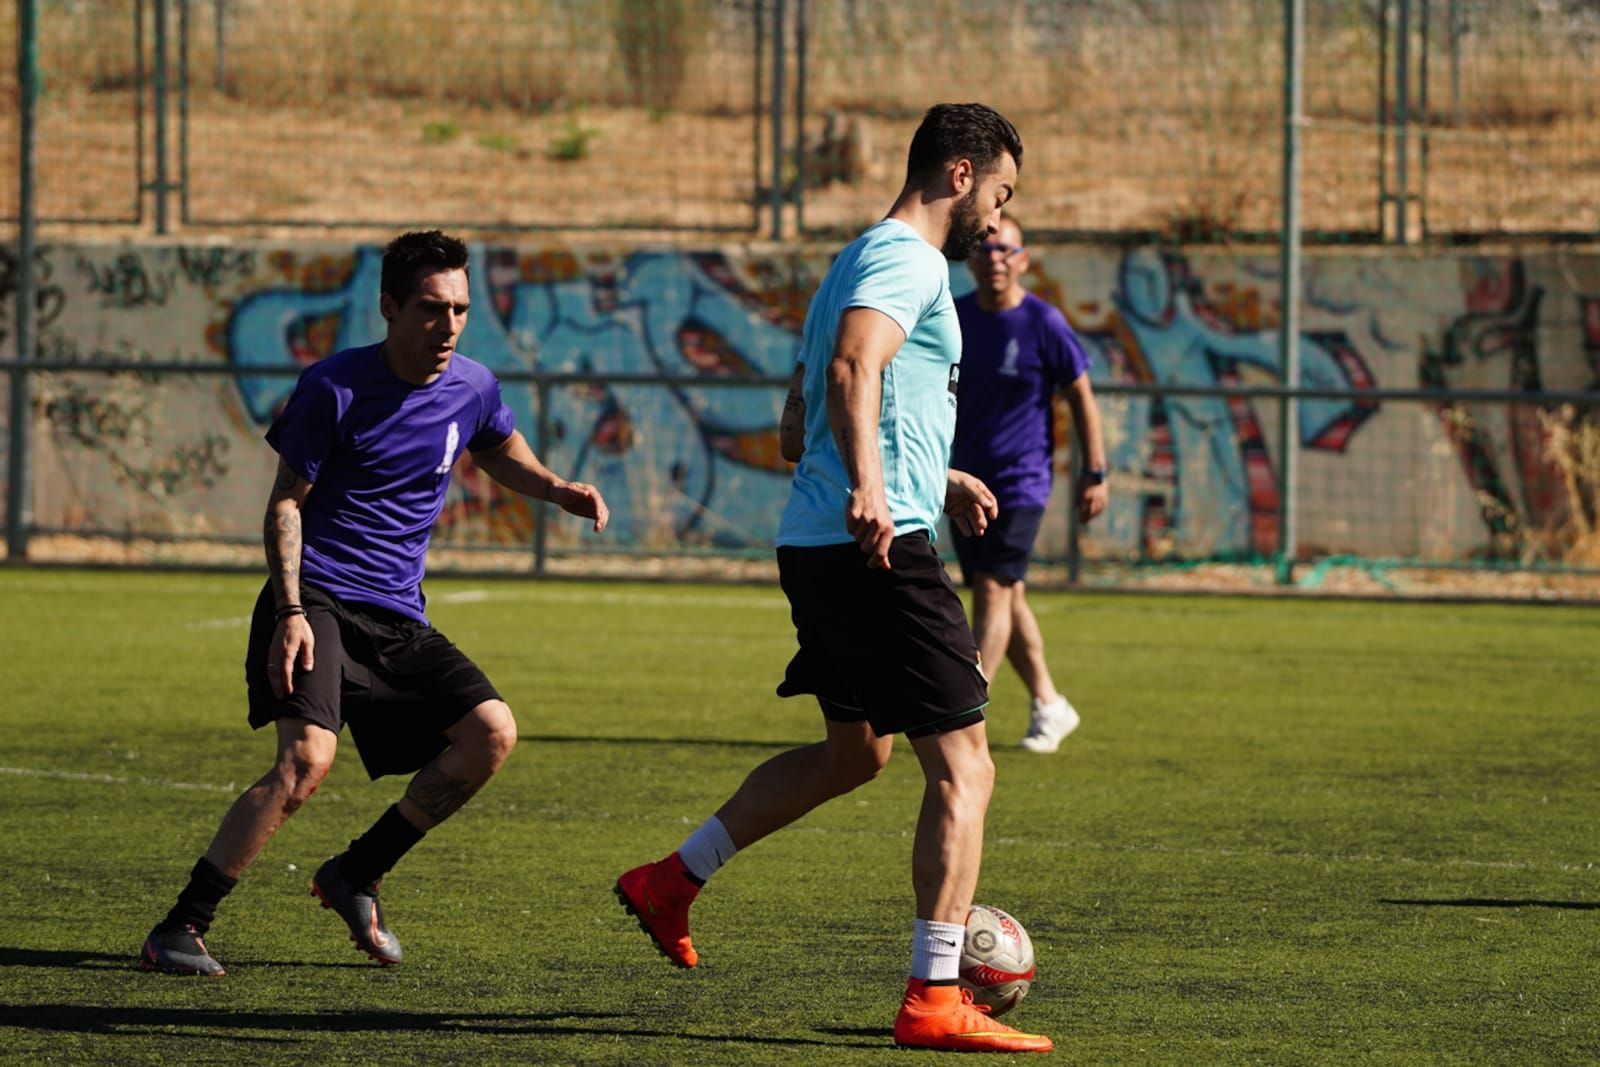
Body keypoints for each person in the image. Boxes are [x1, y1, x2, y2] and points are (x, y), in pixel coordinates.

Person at [615, 103, 1051, 1054]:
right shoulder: (911, 259)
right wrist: (874, 488)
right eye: (1004, 191)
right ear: (964, 172)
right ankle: (935, 995)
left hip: (817, 542)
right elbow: (855, 370)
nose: (1001, 216)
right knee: (966, 765)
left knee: (857, 753)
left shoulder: (856, 259)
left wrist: (931, 471)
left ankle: (671, 880)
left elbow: (799, 415)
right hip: (875, 549)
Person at [138, 230, 609, 976]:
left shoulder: (474, 386)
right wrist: (290, 612)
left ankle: (356, 871)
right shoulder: (335, 386)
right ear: (389, 306)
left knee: (490, 734)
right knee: (305, 761)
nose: (448, 324)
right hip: (317, 596)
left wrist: (556, 488)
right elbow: (286, 503)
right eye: (430, 308)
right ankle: (180, 925)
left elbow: (494, 444)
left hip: (395, 614)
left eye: (459, 308)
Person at [950, 214, 1107, 754]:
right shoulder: (954, 317)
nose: (995, 259)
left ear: (1024, 259)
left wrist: (1095, 471)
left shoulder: (1044, 322)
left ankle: (968, 712)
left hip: (1022, 483)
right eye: (986, 250)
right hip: (964, 484)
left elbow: (1082, 396)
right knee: (1005, 596)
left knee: (994, 588)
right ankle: (1049, 703)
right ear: (969, 258)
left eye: (1006, 251)